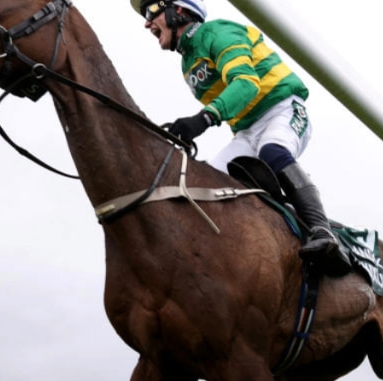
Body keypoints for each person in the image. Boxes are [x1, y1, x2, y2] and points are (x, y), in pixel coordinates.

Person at [131, 0, 351, 276]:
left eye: (152, 11)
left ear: (180, 10)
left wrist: (203, 119)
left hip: (283, 109)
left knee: (273, 152)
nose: (147, 22)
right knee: (203, 185)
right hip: (246, 133)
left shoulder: (218, 32)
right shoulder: (187, 63)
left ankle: (323, 231)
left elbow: (246, 83)